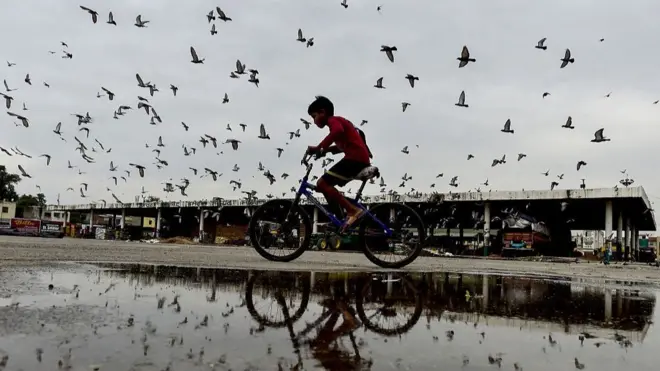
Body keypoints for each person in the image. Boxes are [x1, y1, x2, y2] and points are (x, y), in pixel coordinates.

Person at [306, 96, 372, 231]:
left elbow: (337, 132)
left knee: (322, 183)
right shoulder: (339, 123)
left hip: (355, 159)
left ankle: (352, 210)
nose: (313, 121)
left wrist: (320, 147)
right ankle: (340, 219)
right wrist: (321, 150)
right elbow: (340, 147)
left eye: (314, 116)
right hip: (357, 158)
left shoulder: (333, 121)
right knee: (323, 186)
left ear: (322, 112)